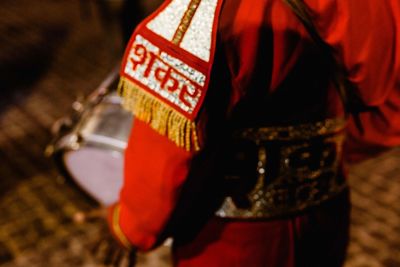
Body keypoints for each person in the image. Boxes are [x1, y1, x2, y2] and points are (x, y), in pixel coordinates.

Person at [106, 0, 400, 266]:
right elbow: (389, 111)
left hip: (233, 239)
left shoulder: (217, 8)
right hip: (328, 216)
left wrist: (129, 226)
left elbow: (164, 157)